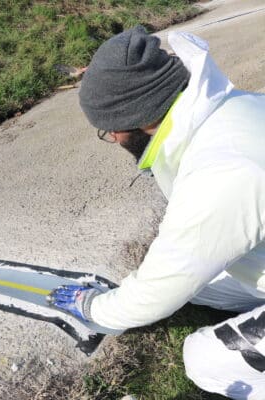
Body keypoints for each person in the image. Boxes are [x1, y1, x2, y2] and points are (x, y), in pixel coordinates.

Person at [47, 26, 265, 399]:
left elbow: (160, 289)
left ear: (137, 115)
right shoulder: (237, 108)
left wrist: (95, 309)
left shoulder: (223, 172)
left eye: (109, 130)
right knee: (200, 290)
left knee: (204, 358)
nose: (113, 139)